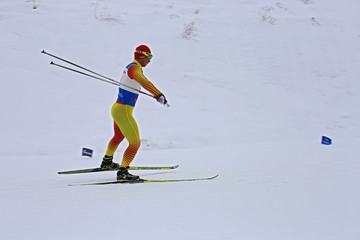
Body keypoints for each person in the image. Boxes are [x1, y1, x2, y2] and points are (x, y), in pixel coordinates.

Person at [100, 45, 168, 180]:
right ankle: (123, 172)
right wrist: (158, 94)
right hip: (123, 111)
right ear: (141, 56)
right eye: (149, 57)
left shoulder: (133, 67)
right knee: (135, 143)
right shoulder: (134, 68)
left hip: (118, 109)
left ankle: (107, 162)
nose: (149, 60)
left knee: (118, 137)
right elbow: (143, 81)